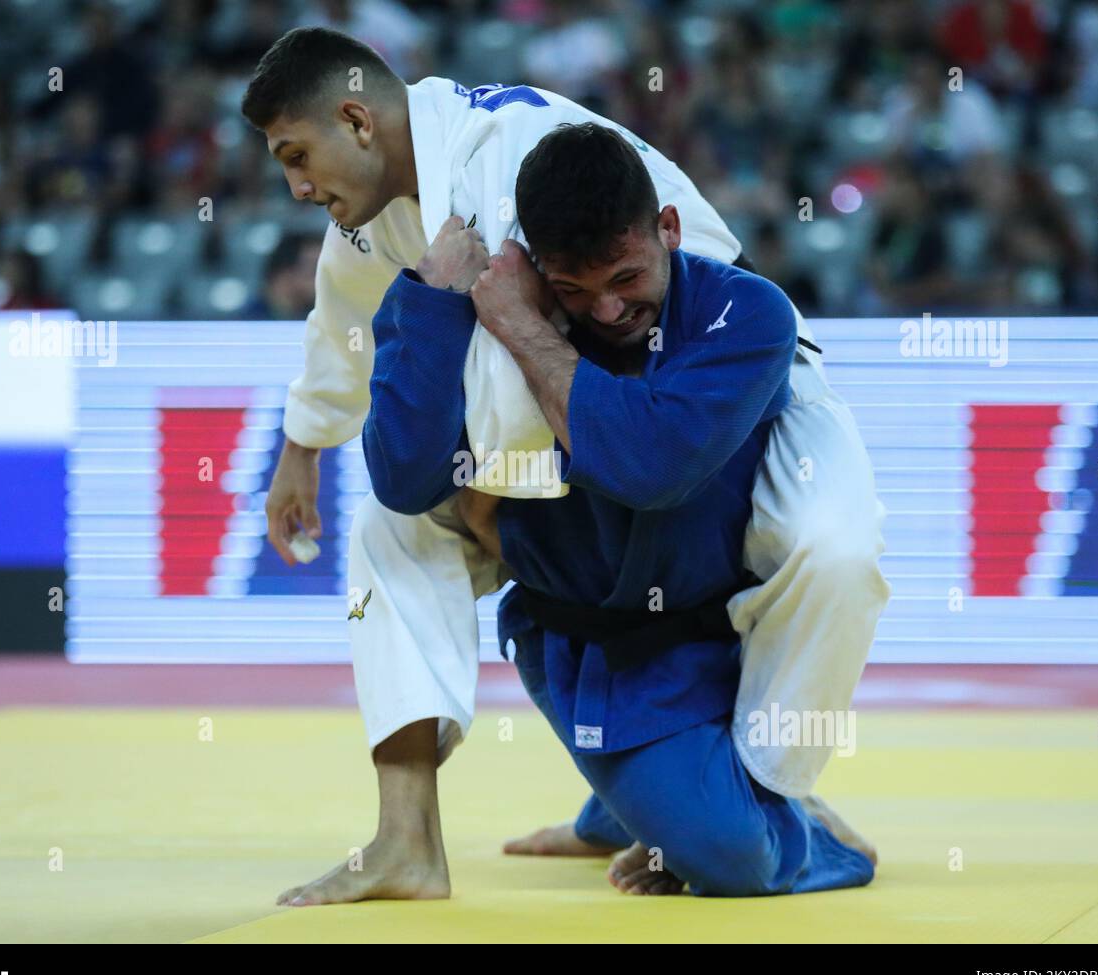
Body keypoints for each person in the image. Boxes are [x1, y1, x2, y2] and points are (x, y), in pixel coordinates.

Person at [240, 28, 888, 906]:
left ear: (356, 118)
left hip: (715, 389)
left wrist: (493, 513)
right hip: (579, 408)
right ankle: (407, 840)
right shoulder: (381, 211)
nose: (299, 185)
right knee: (389, 527)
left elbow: (539, 365)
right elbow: (343, 319)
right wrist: (302, 448)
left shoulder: (501, 169)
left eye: (297, 155)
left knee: (830, 543)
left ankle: (769, 794)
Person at [362, 124, 877, 896]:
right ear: (532, 261)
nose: (606, 309)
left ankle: (806, 833)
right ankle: (649, 803)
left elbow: (650, 466)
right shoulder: (479, 310)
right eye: (573, 287)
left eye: (628, 277)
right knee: (729, 860)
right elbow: (402, 480)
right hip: (589, 648)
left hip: (723, 638)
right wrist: (435, 295)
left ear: (669, 229)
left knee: (834, 555)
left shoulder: (746, 315)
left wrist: (527, 324)